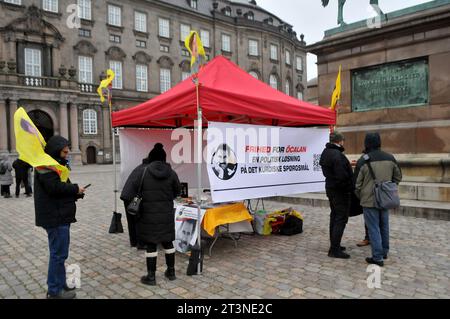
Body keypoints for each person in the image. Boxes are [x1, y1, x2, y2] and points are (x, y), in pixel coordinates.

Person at [34, 136, 86, 299]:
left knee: (61, 254)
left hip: (59, 214)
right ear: (57, 150)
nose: (68, 153)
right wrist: (74, 188)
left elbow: (61, 188)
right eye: (65, 151)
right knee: (58, 254)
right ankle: (54, 291)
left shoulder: (56, 165)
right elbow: (54, 188)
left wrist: (76, 192)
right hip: (54, 216)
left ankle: (61, 283)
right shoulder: (46, 165)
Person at [122, 143, 181, 286]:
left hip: (148, 216)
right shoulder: (172, 173)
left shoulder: (143, 171)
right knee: (168, 242)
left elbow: (130, 192)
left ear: (151, 158)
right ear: (164, 158)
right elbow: (177, 192)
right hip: (166, 214)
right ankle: (171, 272)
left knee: (151, 245)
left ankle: (151, 276)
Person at [355, 133, 402, 267]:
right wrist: (388, 189)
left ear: (366, 143)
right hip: (385, 198)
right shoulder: (390, 157)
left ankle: (377, 257)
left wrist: (362, 196)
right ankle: (384, 251)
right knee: (384, 225)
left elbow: (357, 184)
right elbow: (398, 177)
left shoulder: (363, 160)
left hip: (369, 200)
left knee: (373, 227)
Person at [319, 131, 353, 259]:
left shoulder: (326, 152)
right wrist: (349, 188)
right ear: (340, 141)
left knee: (334, 216)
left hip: (331, 188)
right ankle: (334, 249)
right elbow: (342, 176)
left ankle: (335, 244)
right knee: (340, 218)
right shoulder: (337, 155)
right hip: (340, 191)